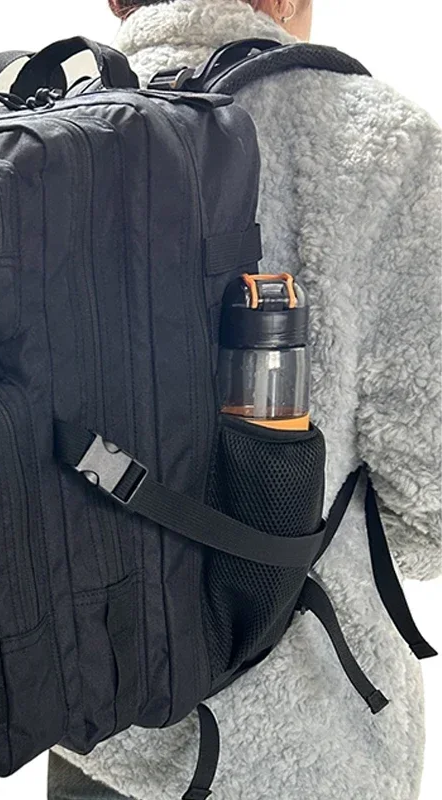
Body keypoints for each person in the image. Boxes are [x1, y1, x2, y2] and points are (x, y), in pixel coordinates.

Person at [49, 1, 442, 798]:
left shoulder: (48, 123)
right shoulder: (384, 145)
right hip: (302, 750)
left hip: (88, 718)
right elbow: (429, 506)